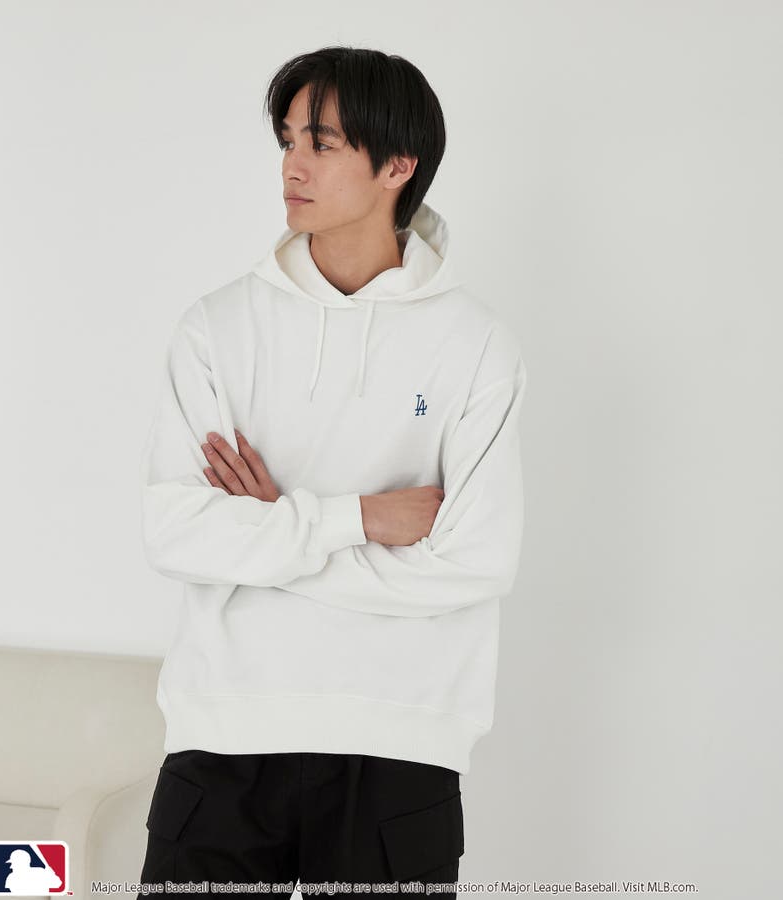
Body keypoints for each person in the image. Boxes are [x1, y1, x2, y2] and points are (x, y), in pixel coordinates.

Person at [136, 45, 527, 899]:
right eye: (287, 140)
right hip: (223, 735)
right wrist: (359, 519)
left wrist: (271, 533)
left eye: (322, 142)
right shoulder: (216, 328)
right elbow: (173, 532)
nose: (292, 165)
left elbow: (478, 560)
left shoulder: (475, 344)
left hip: (402, 741)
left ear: (398, 165)